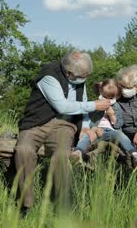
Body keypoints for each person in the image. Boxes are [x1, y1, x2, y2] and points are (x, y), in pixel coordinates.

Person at [14, 49, 111, 211]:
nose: (85, 79)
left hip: (64, 125)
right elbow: (63, 106)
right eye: (83, 76)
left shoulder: (79, 78)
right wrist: (95, 105)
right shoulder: (49, 76)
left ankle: (62, 204)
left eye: (87, 75)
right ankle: (25, 204)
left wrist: (85, 127)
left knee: (62, 155)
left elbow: (83, 104)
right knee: (23, 150)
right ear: (69, 73)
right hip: (36, 123)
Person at [69, 79, 137, 168]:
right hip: (98, 130)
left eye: (110, 98)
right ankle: (78, 152)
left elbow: (119, 124)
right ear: (101, 93)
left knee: (122, 137)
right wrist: (94, 128)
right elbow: (89, 119)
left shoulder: (116, 106)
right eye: (105, 97)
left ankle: (135, 154)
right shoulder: (96, 104)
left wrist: (112, 115)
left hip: (112, 131)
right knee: (86, 136)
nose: (108, 100)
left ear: (116, 96)